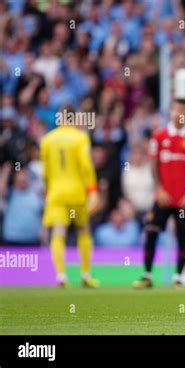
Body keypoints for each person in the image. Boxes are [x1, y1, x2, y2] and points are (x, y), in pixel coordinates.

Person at [132, 98, 185, 288]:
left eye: (182, 109)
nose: (178, 113)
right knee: (151, 231)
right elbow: (153, 165)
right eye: (175, 109)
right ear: (170, 112)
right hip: (163, 197)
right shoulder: (159, 136)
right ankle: (147, 275)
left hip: (184, 199)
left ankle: (179, 277)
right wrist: (158, 189)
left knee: (183, 236)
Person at [41, 106, 100, 288]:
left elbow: (46, 170)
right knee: (84, 230)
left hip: (56, 192)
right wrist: (93, 190)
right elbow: (86, 166)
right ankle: (86, 275)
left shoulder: (47, 140)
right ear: (73, 118)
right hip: (77, 192)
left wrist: (48, 189)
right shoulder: (80, 137)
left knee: (59, 233)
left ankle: (61, 276)